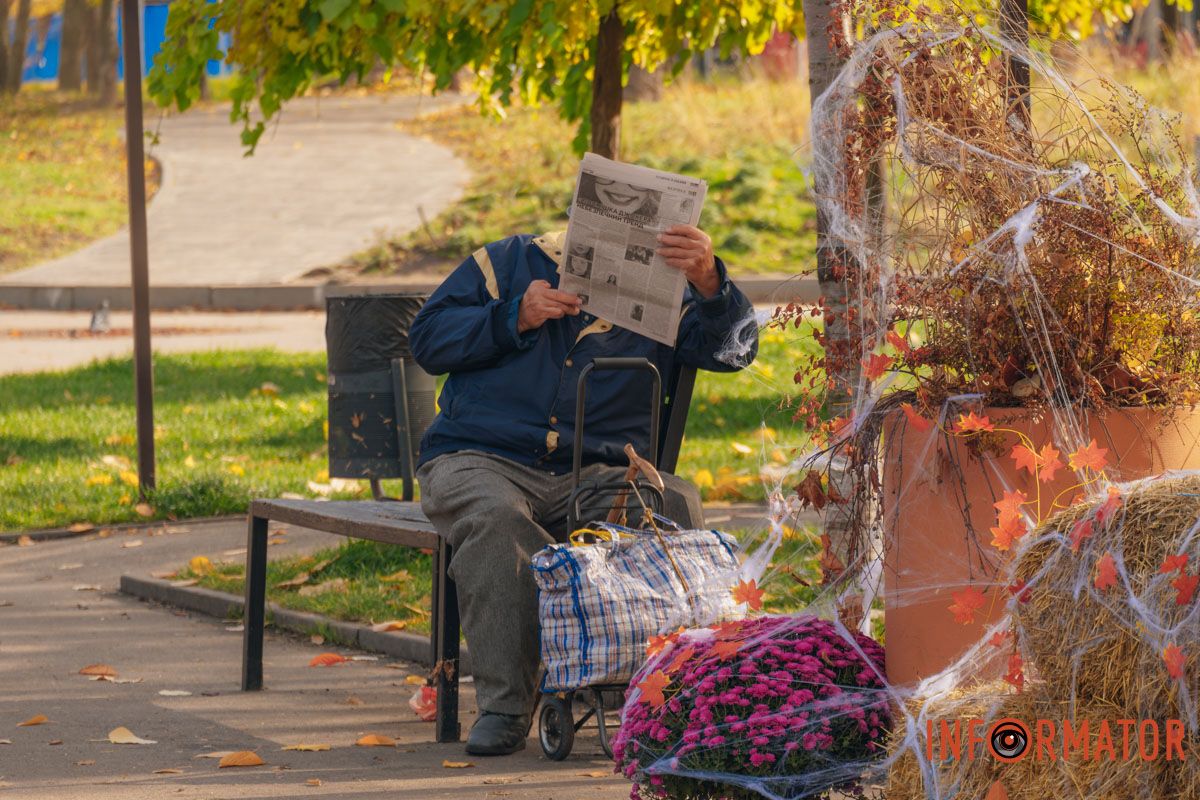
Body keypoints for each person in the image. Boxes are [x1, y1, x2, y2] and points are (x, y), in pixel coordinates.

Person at [409, 223, 758, 756]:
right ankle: (506, 705)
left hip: (598, 470)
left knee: (674, 504)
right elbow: (428, 340)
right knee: (497, 521)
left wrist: (710, 281)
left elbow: (734, 351)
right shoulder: (508, 261)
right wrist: (513, 316)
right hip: (480, 457)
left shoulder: (668, 286)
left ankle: (683, 699)